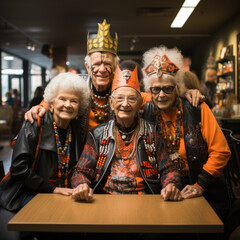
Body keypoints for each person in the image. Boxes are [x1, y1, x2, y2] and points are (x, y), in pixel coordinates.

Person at [24, 20, 204, 135]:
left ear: (115, 67)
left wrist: (185, 93)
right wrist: (39, 108)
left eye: (107, 64)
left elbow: (158, 95)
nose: (102, 69)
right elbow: (55, 99)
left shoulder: (125, 91)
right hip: (79, 156)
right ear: (87, 66)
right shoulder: (75, 85)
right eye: (96, 64)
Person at [141, 45, 234, 238]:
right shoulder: (146, 106)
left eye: (167, 88)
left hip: (201, 189)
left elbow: (221, 151)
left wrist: (200, 185)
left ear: (177, 87)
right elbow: (123, 96)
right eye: (156, 89)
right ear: (149, 90)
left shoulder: (197, 108)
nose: (161, 95)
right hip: (161, 191)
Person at [70, 64, 182, 201]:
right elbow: (81, 171)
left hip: (145, 200)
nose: (125, 104)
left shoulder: (152, 132)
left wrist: (170, 184)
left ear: (139, 103)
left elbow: (168, 170)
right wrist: (81, 185)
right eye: (120, 98)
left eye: (131, 99)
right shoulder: (97, 135)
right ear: (111, 103)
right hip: (105, 200)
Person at [0, 72, 89, 240]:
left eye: (74, 101)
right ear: (51, 103)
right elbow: (19, 169)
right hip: (26, 193)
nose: (68, 105)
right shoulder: (35, 123)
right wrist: (53, 190)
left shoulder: (76, 130)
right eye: (62, 99)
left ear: (79, 107)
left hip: (62, 194)